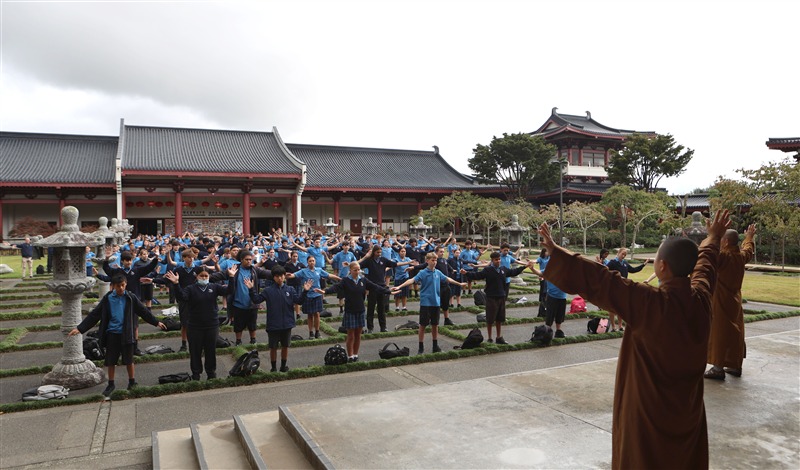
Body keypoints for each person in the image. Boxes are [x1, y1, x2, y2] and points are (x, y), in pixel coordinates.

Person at [536, 210, 731, 470]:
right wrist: (713, 238)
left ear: (662, 266)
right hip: (687, 410)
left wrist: (557, 252)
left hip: (648, 413)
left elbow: (603, 280)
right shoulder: (702, 298)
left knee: (644, 459)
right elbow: (706, 266)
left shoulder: (650, 302)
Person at [68, 274, 167, 396]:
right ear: (113, 286)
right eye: (118, 286)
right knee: (111, 361)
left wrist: (156, 322)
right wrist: (80, 328)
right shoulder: (108, 298)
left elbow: (143, 311)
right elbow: (95, 314)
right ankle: (111, 384)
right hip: (112, 333)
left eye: (123, 285)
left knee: (129, 360)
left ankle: (132, 382)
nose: (121, 288)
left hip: (127, 333)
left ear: (126, 284)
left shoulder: (130, 297)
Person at [165, 266, 237, 380]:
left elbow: (229, 291)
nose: (204, 278)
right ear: (196, 276)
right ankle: (196, 373)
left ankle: (211, 373)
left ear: (209, 276)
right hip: (194, 326)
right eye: (201, 276)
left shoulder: (214, 287)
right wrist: (176, 284)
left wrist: (231, 277)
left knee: (210, 350)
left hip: (211, 325)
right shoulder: (190, 288)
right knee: (195, 351)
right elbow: (182, 297)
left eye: (206, 276)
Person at [704, 224, 756, 380]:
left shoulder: (724, 257)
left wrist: (712, 235)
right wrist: (749, 237)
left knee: (719, 332)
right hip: (735, 299)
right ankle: (735, 365)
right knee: (735, 332)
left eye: (721, 240)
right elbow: (748, 249)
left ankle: (718, 368)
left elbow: (708, 253)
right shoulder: (740, 256)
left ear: (725, 241)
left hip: (720, 300)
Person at [393, 252, 466, 354]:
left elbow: (447, 279)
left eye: (435, 260)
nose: (435, 262)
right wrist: (399, 286)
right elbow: (412, 280)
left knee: (435, 325)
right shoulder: (423, 273)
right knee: (422, 325)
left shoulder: (438, 272)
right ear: (427, 261)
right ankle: (421, 347)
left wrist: (459, 284)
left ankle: (435, 346)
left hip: (436, 303)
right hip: (425, 303)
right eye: (432, 260)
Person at [319, 262, 391, 362]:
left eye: (358, 270)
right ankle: (350, 355)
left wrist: (389, 291)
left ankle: (356, 354)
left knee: (358, 334)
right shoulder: (346, 280)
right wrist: (325, 291)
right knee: (351, 335)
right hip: (350, 311)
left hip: (360, 310)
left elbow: (375, 287)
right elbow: (336, 287)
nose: (357, 272)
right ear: (350, 270)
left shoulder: (363, 280)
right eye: (355, 270)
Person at [246, 266, 312, 372]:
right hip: (273, 324)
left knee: (285, 346)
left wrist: (305, 291)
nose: (280, 278)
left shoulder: (290, 289)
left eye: (281, 276)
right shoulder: (268, 290)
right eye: (277, 276)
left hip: (287, 323)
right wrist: (251, 289)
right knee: (273, 347)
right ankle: (273, 367)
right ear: (274, 277)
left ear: (284, 276)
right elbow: (256, 300)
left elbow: (299, 301)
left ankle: (283, 366)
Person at [462, 252, 530, 344]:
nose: (498, 261)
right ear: (492, 260)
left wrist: (525, 266)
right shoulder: (488, 270)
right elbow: (477, 275)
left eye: (499, 259)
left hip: (501, 296)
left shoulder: (503, 269)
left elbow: (513, 272)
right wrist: (466, 273)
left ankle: (499, 337)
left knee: (499, 318)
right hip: (491, 297)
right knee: (490, 319)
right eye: (496, 260)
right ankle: (490, 337)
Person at [358, 245, 415, 333]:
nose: (379, 254)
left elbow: (395, 264)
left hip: (382, 286)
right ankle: (370, 328)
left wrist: (408, 262)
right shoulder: (369, 260)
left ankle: (383, 327)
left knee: (381, 308)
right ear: (373, 252)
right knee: (370, 308)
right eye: (377, 252)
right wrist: (365, 257)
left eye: (380, 252)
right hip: (372, 287)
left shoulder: (383, 260)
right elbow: (357, 265)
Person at [293, 256, 340, 339]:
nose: (312, 262)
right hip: (308, 295)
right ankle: (311, 332)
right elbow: (293, 275)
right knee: (310, 315)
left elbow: (328, 275)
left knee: (317, 314)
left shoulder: (319, 270)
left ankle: (317, 332)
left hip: (317, 295)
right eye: (310, 261)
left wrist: (339, 278)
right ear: (307, 262)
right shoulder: (303, 271)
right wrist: (286, 275)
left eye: (313, 261)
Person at [605, 248, 649, 332]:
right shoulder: (612, 262)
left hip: (623, 289)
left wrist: (643, 264)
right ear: (618, 253)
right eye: (622, 254)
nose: (623, 256)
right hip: (614, 289)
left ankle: (620, 326)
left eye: (625, 254)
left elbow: (633, 270)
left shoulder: (625, 263)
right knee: (612, 308)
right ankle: (613, 327)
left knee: (621, 308)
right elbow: (605, 271)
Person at [535, 248, 550, 318]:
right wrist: (531, 262)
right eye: (546, 251)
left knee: (547, 292)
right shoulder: (540, 258)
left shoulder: (550, 258)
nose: (547, 253)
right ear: (543, 252)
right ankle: (542, 303)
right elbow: (536, 261)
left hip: (549, 276)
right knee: (543, 291)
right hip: (542, 276)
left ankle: (545, 307)